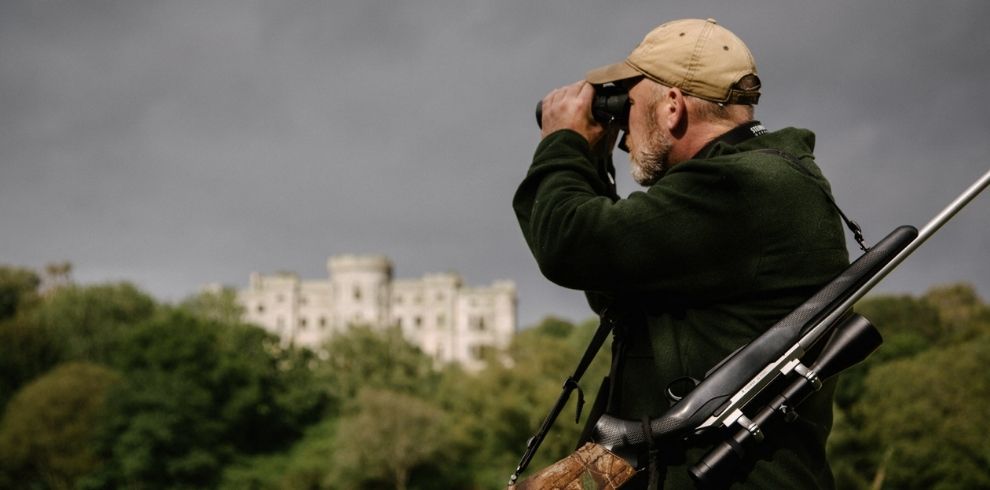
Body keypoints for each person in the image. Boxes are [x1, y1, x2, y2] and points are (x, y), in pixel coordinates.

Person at [513, 18, 849, 489]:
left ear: (672, 106)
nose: (625, 131)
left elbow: (568, 243)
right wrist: (590, 161)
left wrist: (561, 143)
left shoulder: (744, 189)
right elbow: (614, 278)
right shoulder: (751, 186)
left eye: (629, 106)